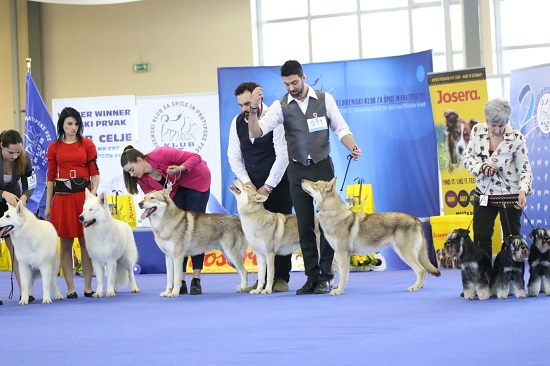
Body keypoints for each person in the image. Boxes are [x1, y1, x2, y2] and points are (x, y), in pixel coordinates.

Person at [247, 60, 362, 295]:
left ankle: (326, 277)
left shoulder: (324, 99)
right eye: (286, 84)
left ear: (304, 78)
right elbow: (257, 132)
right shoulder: (280, 106)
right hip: (297, 170)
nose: (291, 87)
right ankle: (311, 277)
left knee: (330, 224)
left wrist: (352, 146)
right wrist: (254, 108)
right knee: (304, 225)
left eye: (294, 82)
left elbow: (341, 128)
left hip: (322, 168)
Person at [228, 81, 293, 292]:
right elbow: (234, 157)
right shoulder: (236, 122)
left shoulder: (274, 118)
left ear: (258, 99)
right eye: (241, 105)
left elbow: (283, 155)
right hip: (252, 185)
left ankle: (281, 278)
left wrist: (268, 186)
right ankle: (263, 279)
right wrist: (248, 183)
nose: (244, 109)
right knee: (257, 237)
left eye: (247, 104)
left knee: (282, 233)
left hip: (278, 184)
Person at [121, 145, 211, 295]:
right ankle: (180, 280)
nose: (131, 175)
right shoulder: (142, 180)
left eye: (131, 170)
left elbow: (196, 157)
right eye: (128, 172)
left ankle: (196, 279)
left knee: (196, 230)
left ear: (139, 160)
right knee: (179, 235)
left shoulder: (161, 154)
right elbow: (153, 201)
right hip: (176, 191)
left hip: (196, 181)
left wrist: (180, 168)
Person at [463, 98, 533, 258]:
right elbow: (468, 158)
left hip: (510, 194)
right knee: (480, 236)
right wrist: (481, 167)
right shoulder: (476, 131)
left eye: (501, 126)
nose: (497, 130)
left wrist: (523, 191)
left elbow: (525, 168)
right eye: (493, 125)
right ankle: (484, 276)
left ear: (506, 122)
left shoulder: (516, 138)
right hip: (484, 193)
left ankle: (512, 278)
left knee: (512, 239)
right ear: (486, 121)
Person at [45, 107, 100, 299]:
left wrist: (92, 193)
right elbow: (50, 177)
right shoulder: (54, 147)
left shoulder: (87, 145)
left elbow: (94, 172)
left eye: (76, 124)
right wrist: (48, 204)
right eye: (69, 123)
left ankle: (87, 286)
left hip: (83, 199)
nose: (73, 127)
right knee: (66, 243)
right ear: (62, 124)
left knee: (87, 243)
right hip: (62, 198)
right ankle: (70, 288)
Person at [0, 130, 35, 305]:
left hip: (13, 205)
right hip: (5, 197)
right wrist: (2, 193)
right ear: (2, 147)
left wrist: (25, 197)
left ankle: (25, 292)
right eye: (10, 152)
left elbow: (31, 184)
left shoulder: (24, 158)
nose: (15, 155)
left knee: (16, 250)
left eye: (18, 152)